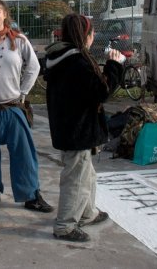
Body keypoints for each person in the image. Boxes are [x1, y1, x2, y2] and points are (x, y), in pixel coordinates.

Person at [44, 14, 124, 242]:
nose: (94, 36)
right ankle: (65, 226)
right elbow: (102, 91)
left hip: (71, 127)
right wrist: (114, 65)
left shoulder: (61, 57)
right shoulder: (76, 61)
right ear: (84, 35)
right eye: (92, 32)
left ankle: (87, 213)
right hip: (76, 130)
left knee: (86, 174)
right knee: (76, 178)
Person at [0, 0, 53, 213]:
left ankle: (30, 195)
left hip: (13, 107)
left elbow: (34, 67)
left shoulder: (19, 41)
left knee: (24, 153)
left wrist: (23, 92)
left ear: (5, 14)